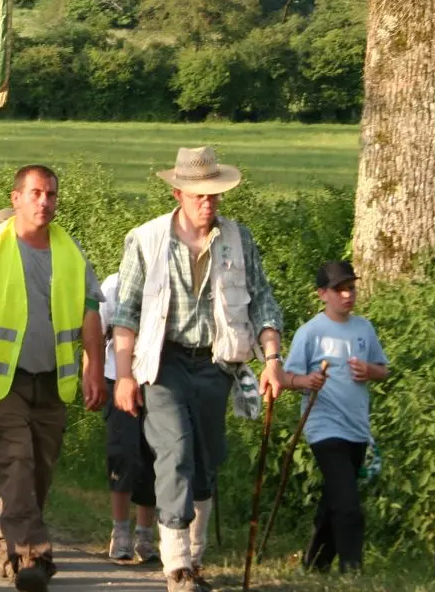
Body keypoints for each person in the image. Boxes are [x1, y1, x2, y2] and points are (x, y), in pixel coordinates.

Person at [111, 147, 285, 592]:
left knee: (207, 462)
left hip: (215, 364)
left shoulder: (238, 239)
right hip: (164, 363)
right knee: (175, 452)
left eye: (214, 196)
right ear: (178, 193)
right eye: (198, 196)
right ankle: (177, 568)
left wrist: (272, 359)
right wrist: (125, 375)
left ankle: (196, 555)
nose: (208, 204)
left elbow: (263, 301)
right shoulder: (146, 239)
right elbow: (126, 313)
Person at [0, 166, 108, 591]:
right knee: (17, 462)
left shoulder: (69, 251)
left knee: (38, 471)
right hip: (1, 383)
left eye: (51, 194)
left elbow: (90, 311)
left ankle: (8, 547)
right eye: (36, 193)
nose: (44, 202)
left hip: (52, 382)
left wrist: (95, 365)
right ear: (16, 197)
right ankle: (33, 555)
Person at [285, 261, 388, 575]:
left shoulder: (364, 328)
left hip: (356, 427)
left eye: (351, 288)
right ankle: (351, 569)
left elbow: (383, 370)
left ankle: (315, 564)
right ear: (322, 294)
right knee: (347, 501)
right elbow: (286, 376)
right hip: (323, 425)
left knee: (335, 496)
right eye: (339, 289)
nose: (347, 295)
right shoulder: (311, 332)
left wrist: (370, 371)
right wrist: (307, 382)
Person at [100, 267, 160, 566]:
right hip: (116, 378)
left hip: (155, 379)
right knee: (122, 454)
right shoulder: (114, 285)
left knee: (153, 456)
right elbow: (96, 330)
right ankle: (120, 532)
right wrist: (93, 377)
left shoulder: (165, 283)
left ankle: (145, 535)